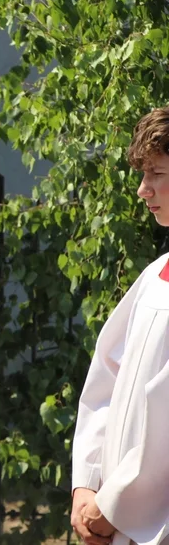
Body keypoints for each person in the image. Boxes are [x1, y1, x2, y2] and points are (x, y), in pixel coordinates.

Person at [71, 106, 169, 545]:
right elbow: (106, 381)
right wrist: (88, 483)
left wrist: (115, 505)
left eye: (157, 173)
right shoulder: (155, 276)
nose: (142, 189)